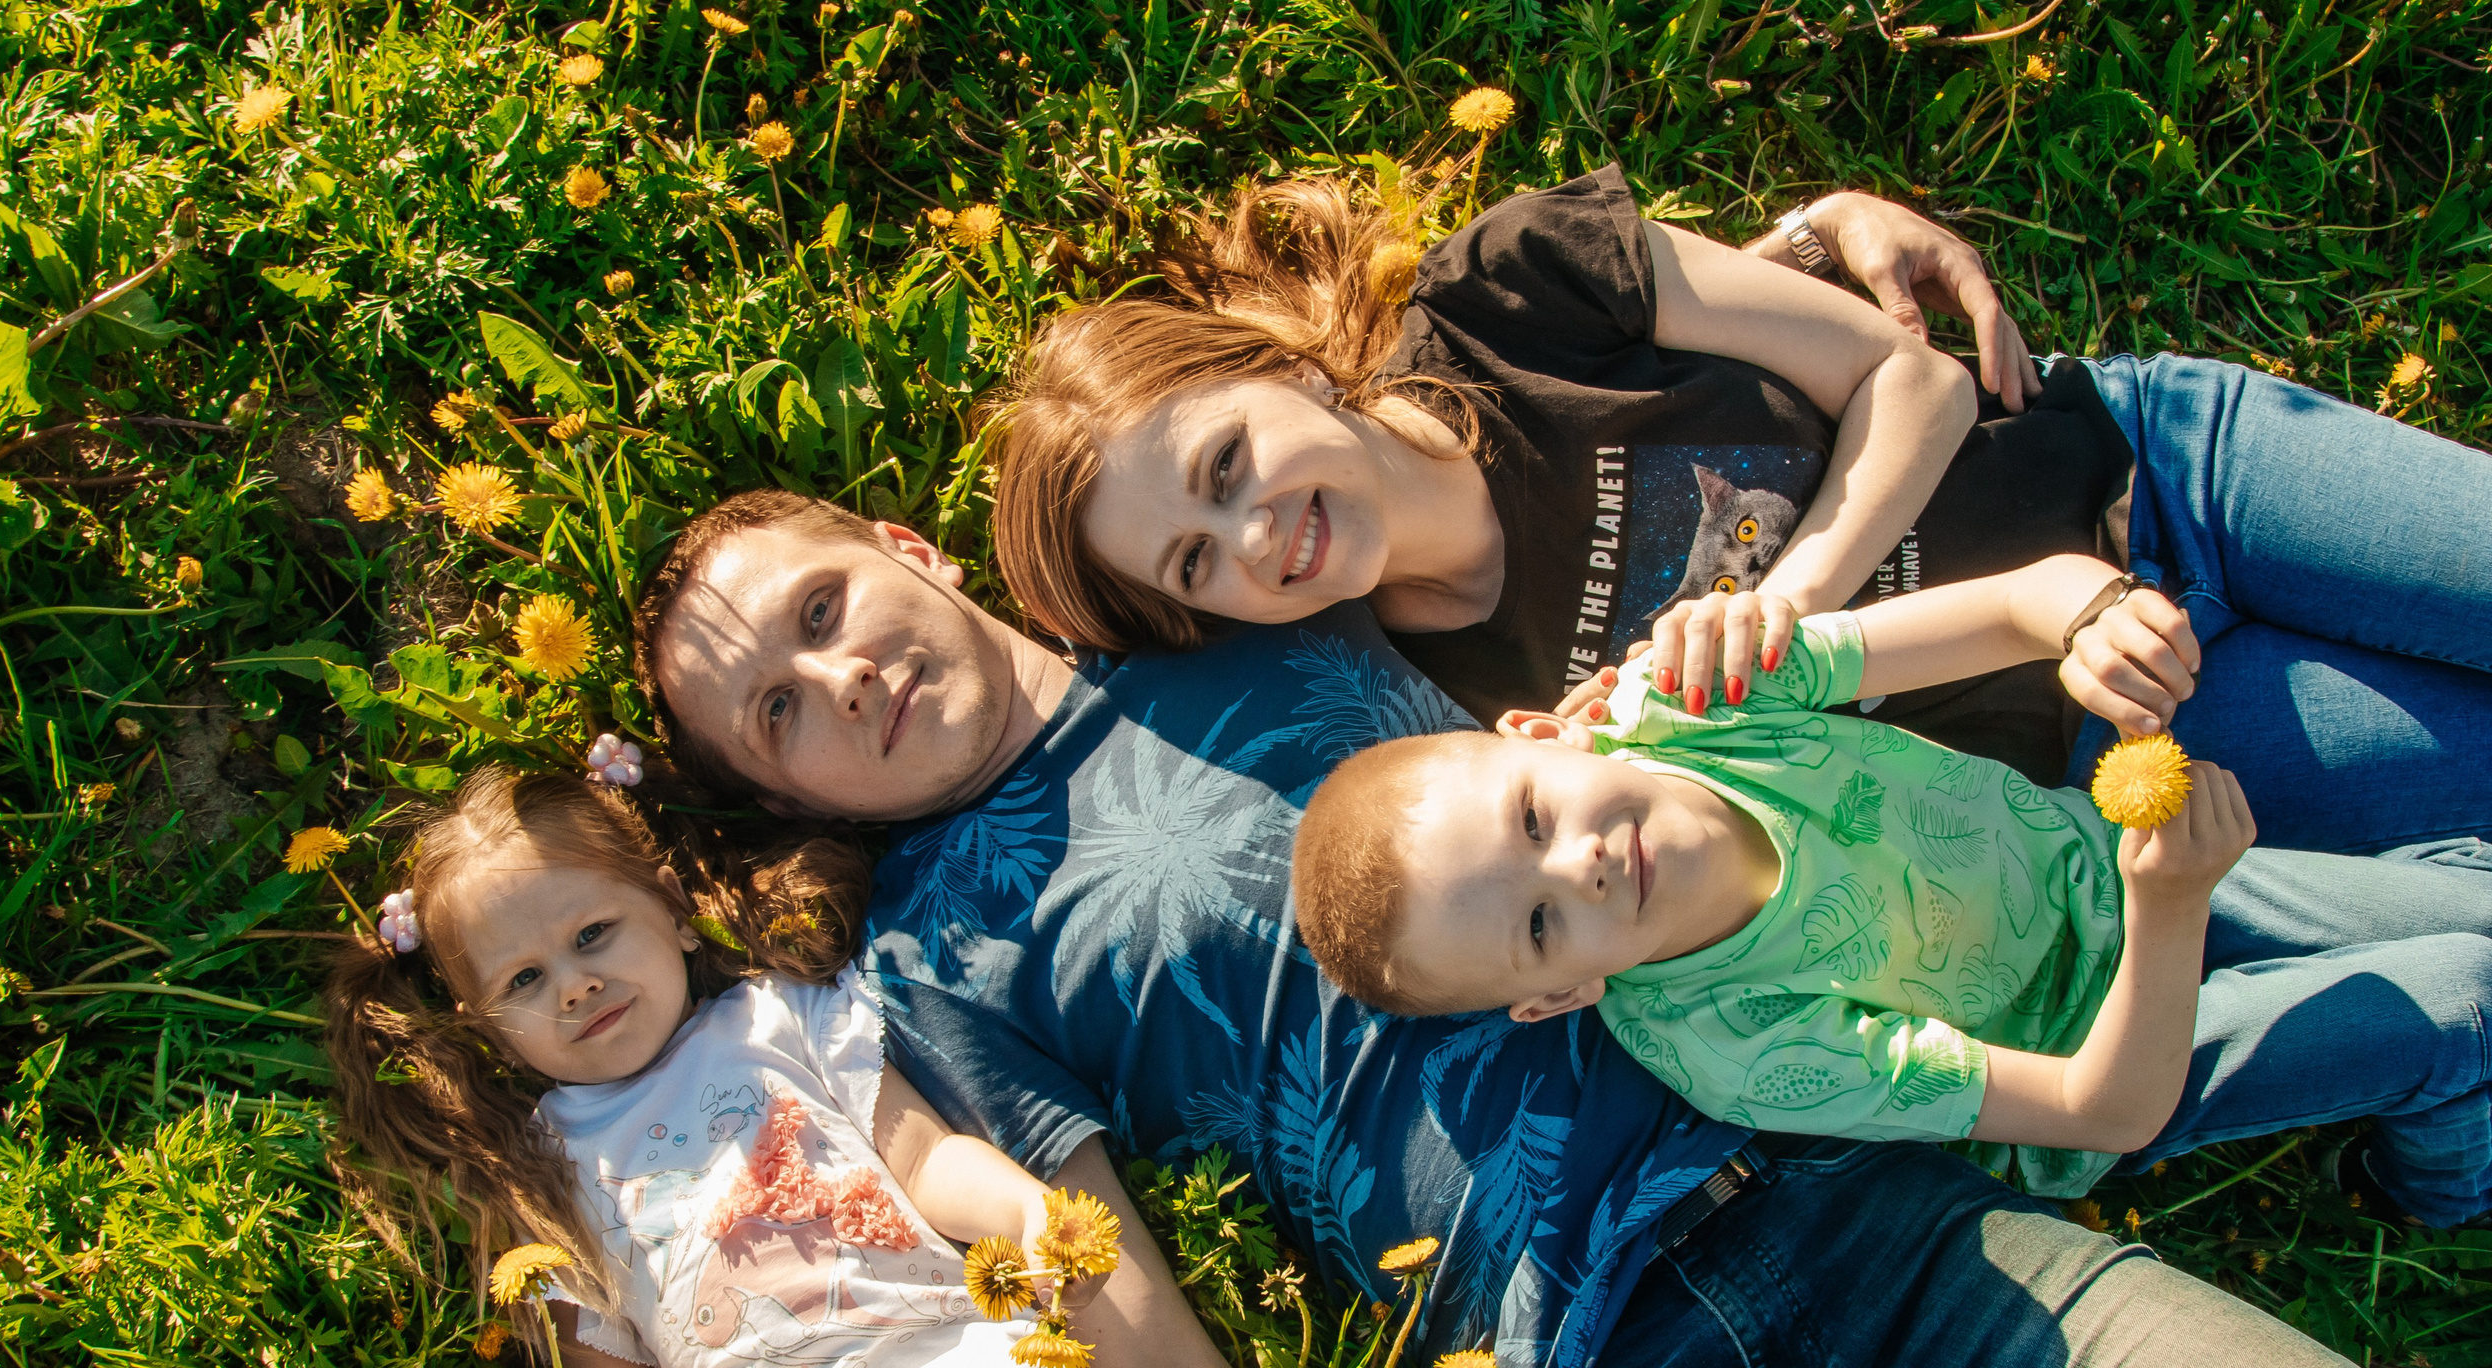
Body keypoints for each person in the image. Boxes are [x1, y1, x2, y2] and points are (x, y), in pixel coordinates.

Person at [632, 489, 2492, 1368]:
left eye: (818, 606)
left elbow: (1507, 425)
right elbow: (1142, 1341)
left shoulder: (1230, 586)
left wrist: (1825, 259)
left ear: (902, 541)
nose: (837, 674)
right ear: (786, 795)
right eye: (775, 714)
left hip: (1895, 1234)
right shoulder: (938, 966)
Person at [988, 168, 2492, 853]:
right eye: (1198, 559)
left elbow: (1912, 385)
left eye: (1228, 459)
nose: (1257, 532)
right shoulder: (1455, 717)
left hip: (2166, 467)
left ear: (1269, 369)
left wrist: (1798, 594)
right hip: (2113, 717)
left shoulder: (1510, 288)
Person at [320, 766, 1218, 1368]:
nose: (577, 984)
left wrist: (1024, 1208)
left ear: (670, 909)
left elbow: (920, 1159)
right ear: (489, 1029)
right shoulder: (545, 1172)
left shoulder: (782, 1016)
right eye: (526, 979)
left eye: (592, 934)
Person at [1289, 560, 2492, 1226]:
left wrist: (2084, 618)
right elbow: (2098, 1108)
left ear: (1551, 729)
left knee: (2471, 904)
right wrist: (2170, 908)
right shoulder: (1731, 1043)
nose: (1581, 865)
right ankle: (2425, 1188)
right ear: (1557, 995)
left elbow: (2003, 608)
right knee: (2466, 1001)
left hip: (2102, 863)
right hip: (2125, 1045)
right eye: (1539, 921)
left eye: (1533, 818)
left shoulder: (1693, 702)